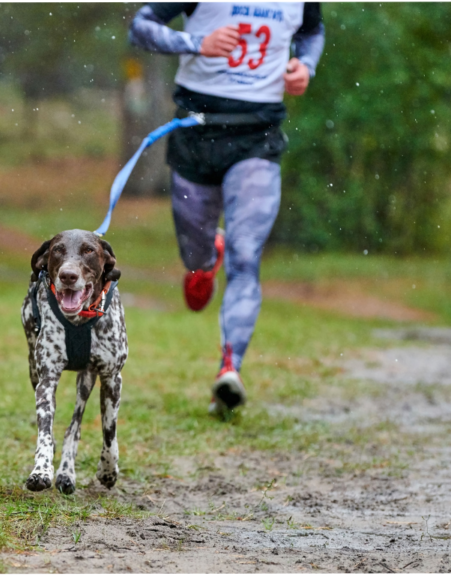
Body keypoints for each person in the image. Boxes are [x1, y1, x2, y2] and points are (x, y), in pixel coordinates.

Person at [129, 3, 325, 418]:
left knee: (246, 255)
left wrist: (305, 65)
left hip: (258, 135)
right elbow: (140, 27)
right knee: (196, 262)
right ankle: (205, 259)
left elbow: (312, 32)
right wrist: (198, 43)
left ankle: (229, 368)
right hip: (195, 130)